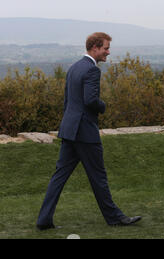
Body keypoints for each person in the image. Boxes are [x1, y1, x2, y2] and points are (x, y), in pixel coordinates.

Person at [36, 32, 141, 230]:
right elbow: (90, 100)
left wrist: (68, 124)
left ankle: (43, 220)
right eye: (106, 48)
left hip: (69, 129)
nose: (108, 52)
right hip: (84, 132)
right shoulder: (92, 70)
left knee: (59, 177)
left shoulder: (74, 67)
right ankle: (115, 218)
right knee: (98, 177)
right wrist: (103, 106)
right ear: (94, 47)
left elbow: (68, 101)